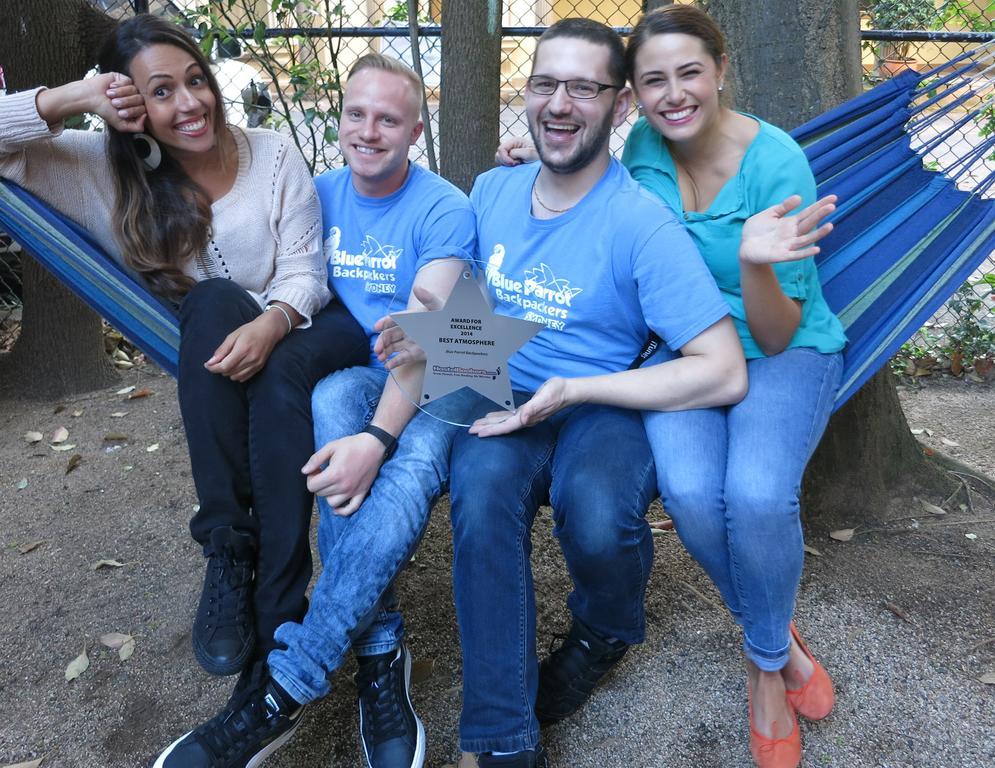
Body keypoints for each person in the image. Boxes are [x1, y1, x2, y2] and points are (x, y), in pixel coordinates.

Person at [498, 7, 847, 768]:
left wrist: (754, 261)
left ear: (721, 69)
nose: (673, 93)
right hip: (682, 349)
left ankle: (762, 668)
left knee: (754, 496)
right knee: (689, 495)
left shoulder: (775, 161)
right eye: (652, 79)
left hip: (780, 347)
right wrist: (529, 159)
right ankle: (777, 634)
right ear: (634, 95)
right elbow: (588, 184)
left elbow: (778, 331)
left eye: (689, 72)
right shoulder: (644, 147)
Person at [0, 15, 367, 680]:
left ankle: (270, 600)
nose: (191, 101)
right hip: (216, 343)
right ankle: (233, 555)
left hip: (300, 330)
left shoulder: (273, 151)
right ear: (129, 106)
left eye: (195, 80)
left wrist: (274, 322)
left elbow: (305, 275)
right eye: (161, 91)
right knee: (213, 300)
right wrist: (72, 99)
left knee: (248, 333)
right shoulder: (99, 171)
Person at [448, 18, 757, 768]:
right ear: (525, 94)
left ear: (618, 107)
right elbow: (459, 308)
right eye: (546, 83)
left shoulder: (639, 224)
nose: (560, 104)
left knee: (594, 512)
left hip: (604, 395)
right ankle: (501, 739)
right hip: (503, 388)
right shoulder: (491, 189)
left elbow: (723, 367)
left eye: (583, 88)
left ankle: (604, 627)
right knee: (480, 492)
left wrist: (577, 387)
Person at [152, 53, 477, 768]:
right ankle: (377, 649)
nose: (368, 130)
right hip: (349, 375)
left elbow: (435, 329)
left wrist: (378, 437)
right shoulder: (317, 192)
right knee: (331, 399)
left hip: (443, 372)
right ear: (338, 122)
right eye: (355, 114)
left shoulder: (442, 208)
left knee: (408, 459)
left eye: (387, 118)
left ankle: (291, 681)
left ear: (415, 132)